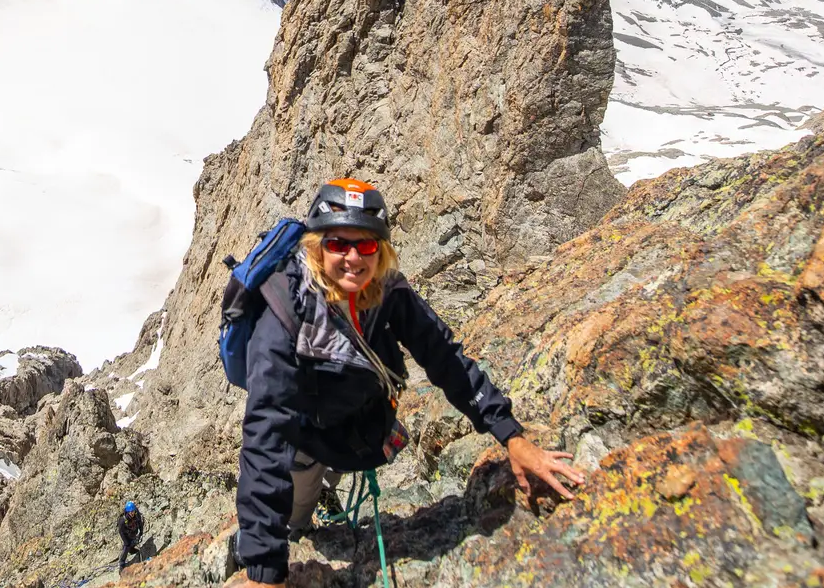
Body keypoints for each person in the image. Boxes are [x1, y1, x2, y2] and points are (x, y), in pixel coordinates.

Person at [236, 179, 585, 586]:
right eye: (337, 244)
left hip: (364, 425)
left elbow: (446, 359)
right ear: (317, 247)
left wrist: (511, 436)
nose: (352, 257)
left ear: (380, 250)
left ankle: (323, 487)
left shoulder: (388, 292)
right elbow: (266, 435)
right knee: (297, 509)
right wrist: (265, 569)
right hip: (304, 436)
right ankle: (302, 520)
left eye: (366, 245)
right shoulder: (283, 309)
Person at [117, 500, 144, 570]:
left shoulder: (136, 514)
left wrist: (141, 531)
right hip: (127, 534)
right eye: (131, 512)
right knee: (126, 546)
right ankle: (121, 563)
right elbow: (121, 532)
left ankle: (131, 549)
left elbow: (140, 523)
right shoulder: (123, 520)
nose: (132, 513)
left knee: (135, 541)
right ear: (128, 512)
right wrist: (126, 541)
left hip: (133, 532)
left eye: (133, 511)